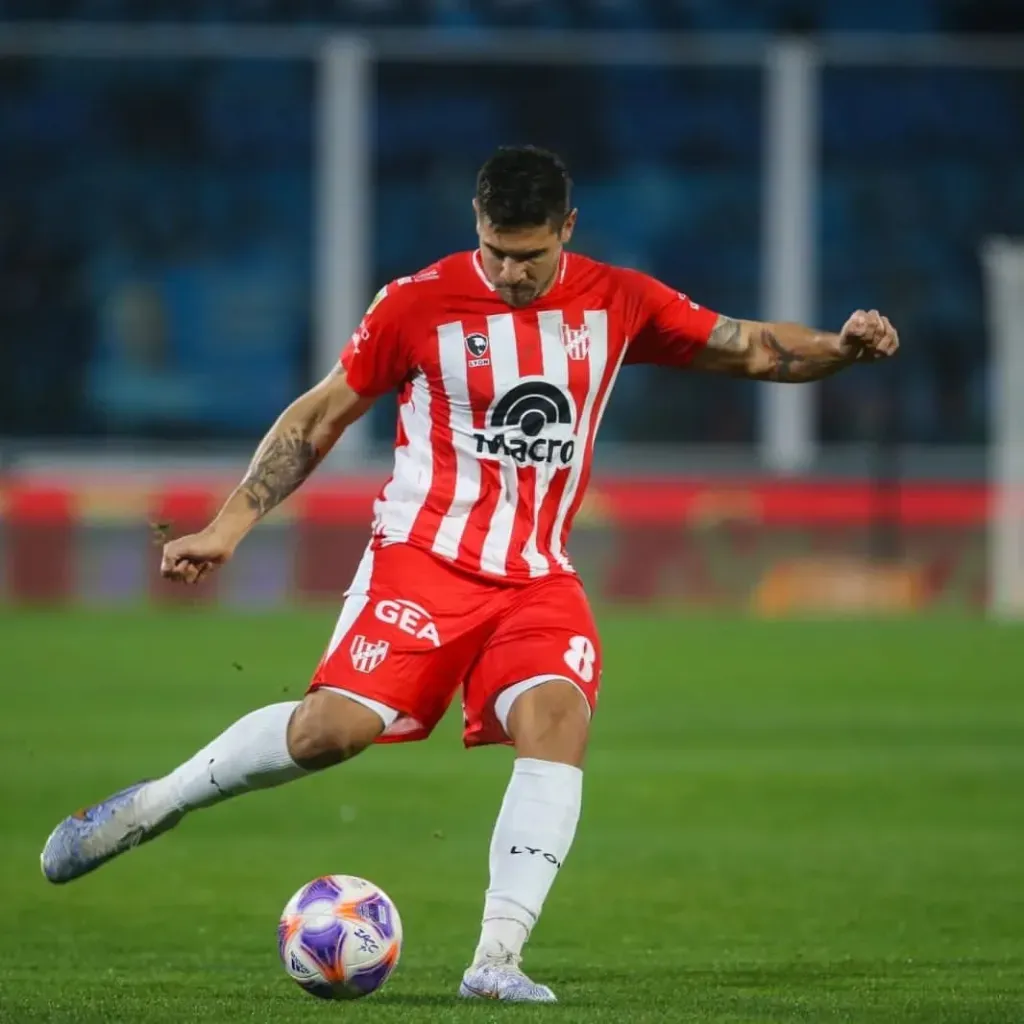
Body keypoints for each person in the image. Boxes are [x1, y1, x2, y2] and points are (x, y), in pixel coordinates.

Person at [41, 145, 899, 1003]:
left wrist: (840, 347)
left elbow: (747, 347)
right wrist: (231, 525)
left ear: (568, 229)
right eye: (496, 250)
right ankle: (158, 802)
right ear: (476, 227)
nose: (512, 271)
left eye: (530, 254)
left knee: (556, 716)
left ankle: (496, 959)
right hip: (422, 562)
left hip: (536, 576)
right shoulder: (416, 305)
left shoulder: (619, 301)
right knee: (329, 734)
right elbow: (319, 415)